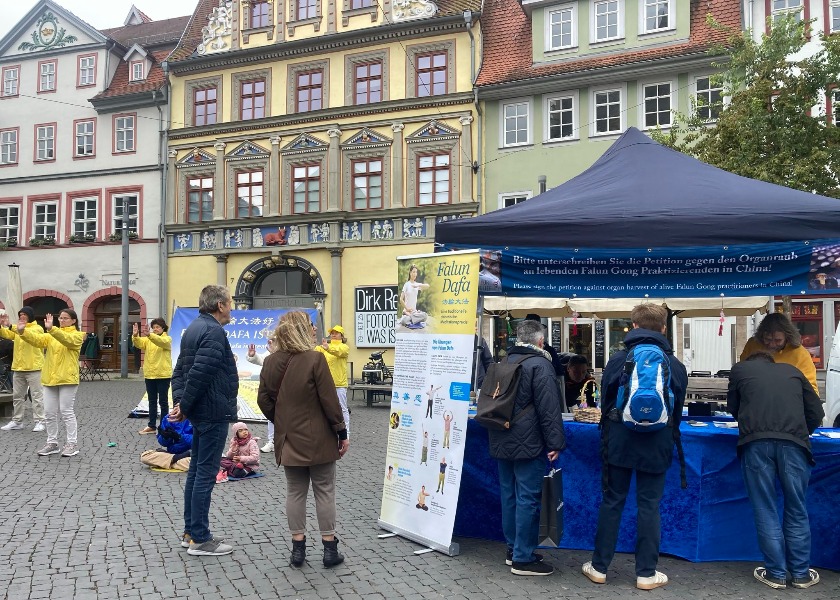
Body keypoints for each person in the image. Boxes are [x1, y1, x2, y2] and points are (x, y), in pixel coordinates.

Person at [582, 303, 687, 591]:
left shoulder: (618, 360)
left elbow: (605, 406)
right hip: (657, 443)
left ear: (633, 325)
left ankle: (599, 567)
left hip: (620, 441)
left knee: (613, 501)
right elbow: (677, 413)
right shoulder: (673, 364)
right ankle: (646, 573)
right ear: (664, 328)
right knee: (649, 506)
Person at [257, 310, 349, 568]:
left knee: (295, 492)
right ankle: (329, 549)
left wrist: (280, 418)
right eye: (310, 325)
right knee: (325, 492)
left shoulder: (271, 361)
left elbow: (262, 399)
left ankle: (298, 549)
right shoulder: (315, 359)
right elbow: (330, 402)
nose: (314, 329)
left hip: (288, 438)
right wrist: (341, 432)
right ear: (300, 328)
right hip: (319, 437)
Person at [727, 352, 824, 590]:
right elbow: (816, 413)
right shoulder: (794, 371)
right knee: (796, 508)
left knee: (765, 507)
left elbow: (733, 408)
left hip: (756, 443)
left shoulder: (740, 370)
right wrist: (799, 433)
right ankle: (801, 574)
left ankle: (776, 573)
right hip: (794, 445)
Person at [489, 319, 565, 576]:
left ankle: (513, 550)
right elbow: (549, 409)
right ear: (540, 341)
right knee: (528, 498)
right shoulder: (541, 365)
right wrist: (555, 443)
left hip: (501, 436)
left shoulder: (502, 362)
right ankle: (523, 557)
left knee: (509, 495)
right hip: (529, 442)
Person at [172, 285, 239, 557]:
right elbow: (199, 373)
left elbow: (180, 371)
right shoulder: (213, 331)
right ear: (220, 305)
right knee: (205, 475)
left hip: (201, 411)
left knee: (196, 473)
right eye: (230, 303)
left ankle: (191, 531)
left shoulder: (194, 329)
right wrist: (184, 405)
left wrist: (181, 403)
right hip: (212, 411)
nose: (232, 307)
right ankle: (200, 538)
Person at [18, 310, 85, 457]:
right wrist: (23, 332)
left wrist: (52, 329)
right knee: (49, 413)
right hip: (50, 378)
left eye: (65, 318)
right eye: (60, 318)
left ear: (74, 321)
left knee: (66, 411)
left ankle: (72, 444)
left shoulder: (78, 335)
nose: (62, 320)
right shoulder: (51, 335)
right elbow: (37, 340)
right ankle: (52, 443)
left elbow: (67, 340)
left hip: (67, 378)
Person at [739, 312, 818, 395]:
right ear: (761, 335)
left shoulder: (800, 354)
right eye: (767, 339)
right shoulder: (752, 345)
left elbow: (811, 388)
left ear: (788, 337)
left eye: (778, 340)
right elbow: (742, 372)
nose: (772, 344)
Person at [0, 307, 46, 432]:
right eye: (20, 314)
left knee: (37, 396)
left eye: (24, 314)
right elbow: (6, 334)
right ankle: (17, 421)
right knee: (17, 396)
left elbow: (28, 335)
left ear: (30, 316)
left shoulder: (38, 328)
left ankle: (40, 421)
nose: (22, 316)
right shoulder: (17, 328)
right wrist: (1, 326)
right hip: (18, 367)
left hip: (34, 367)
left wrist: (11, 326)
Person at [133, 318, 173, 435]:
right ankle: (151, 425)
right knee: (152, 401)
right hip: (150, 374)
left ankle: (164, 426)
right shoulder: (148, 339)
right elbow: (139, 343)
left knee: (163, 401)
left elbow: (160, 342)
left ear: (163, 328)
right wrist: (135, 335)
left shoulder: (167, 339)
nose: (155, 329)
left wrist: (150, 335)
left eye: (157, 327)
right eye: (154, 327)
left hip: (163, 375)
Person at [315, 324, 351, 437]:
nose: (333, 335)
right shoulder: (324, 347)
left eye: (336, 333)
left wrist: (328, 348)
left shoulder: (344, 347)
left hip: (339, 384)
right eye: (332, 333)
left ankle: (346, 431)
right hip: (325, 384)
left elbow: (339, 351)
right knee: (324, 408)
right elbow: (313, 351)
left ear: (341, 335)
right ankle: (327, 431)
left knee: (342, 409)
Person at [140, 407, 193, 471]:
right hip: (174, 454)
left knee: (197, 462)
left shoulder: (198, 417)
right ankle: (175, 460)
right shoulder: (169, 417)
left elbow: (201, 440)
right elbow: (163, 443)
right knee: (145, 456)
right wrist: (165, 437)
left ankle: (168, 462)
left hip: (192, 453)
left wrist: (179, 437)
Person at [247, 339, 276, 453]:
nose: (271, 343)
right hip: (272, 387)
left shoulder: (291, 348)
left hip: (288, 387)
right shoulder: (270, 353)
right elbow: (262, 360)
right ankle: (272, 441)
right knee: (271, 414)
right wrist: (253, 355)